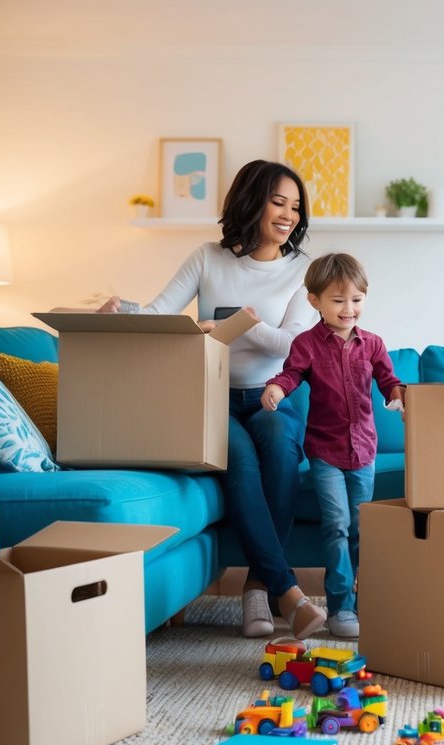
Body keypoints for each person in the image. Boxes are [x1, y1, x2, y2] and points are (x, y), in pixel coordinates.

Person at [100, 159, 325, 640]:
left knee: (281, 450)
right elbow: (162, 313)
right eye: (278, 202)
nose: (288, 214)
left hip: (271, 396)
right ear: (252, 200)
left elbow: (295, 346)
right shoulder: (207, 257)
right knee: (240, 464)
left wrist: (234, 326)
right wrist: (123, 311)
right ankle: (286, 591)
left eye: (296, 206)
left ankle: (257, 585)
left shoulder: (301, 271)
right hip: (211, 396)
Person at [261, 253, 405, 640]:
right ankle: (340, 606)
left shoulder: (372, 344)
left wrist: (399, 397)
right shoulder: (306, 345)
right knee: (337, 525)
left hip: (363, 452)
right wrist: (276, 388)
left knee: (361, 528)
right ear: (315, 302)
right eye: (338, 300)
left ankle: (363, 603)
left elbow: (389, 380)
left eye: (356, 300)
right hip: (325, 452)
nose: (348, 309)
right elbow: (290, 374)